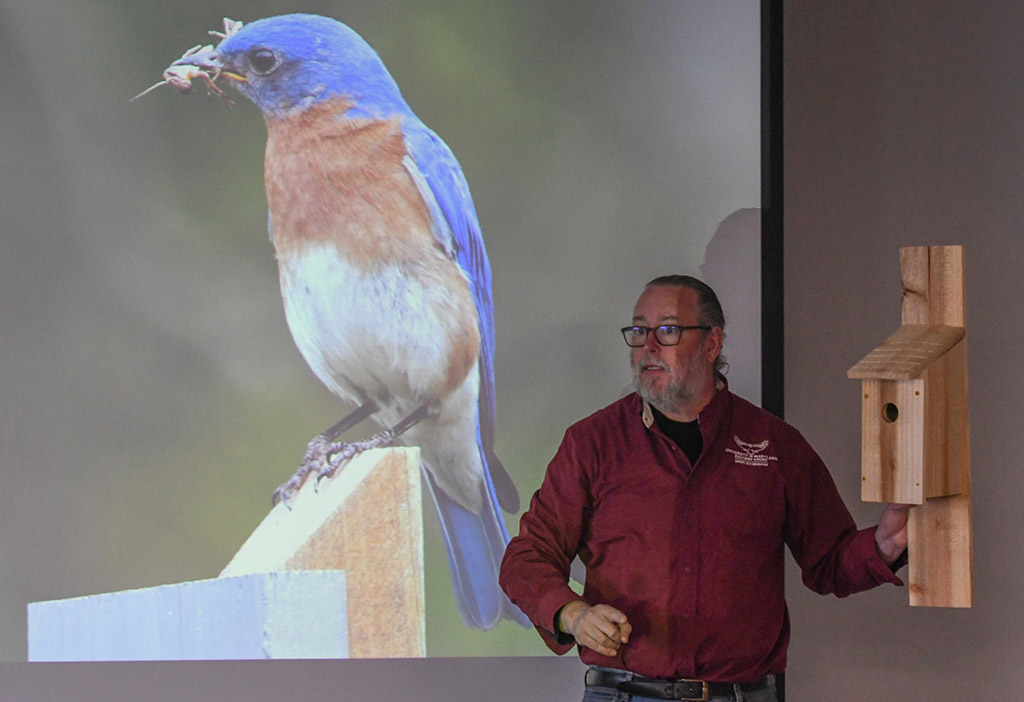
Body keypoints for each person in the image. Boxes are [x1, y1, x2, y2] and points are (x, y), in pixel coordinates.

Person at [499, 275, 909, 702]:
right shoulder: (593, 443)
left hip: (741, 694)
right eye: (639, 332)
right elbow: (526, 559)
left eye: (668, 330)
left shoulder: (775, 444)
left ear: (712, 344)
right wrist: (573, 614)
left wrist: (885, 544)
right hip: (624, 693)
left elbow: (830, 561)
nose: (649, 348)